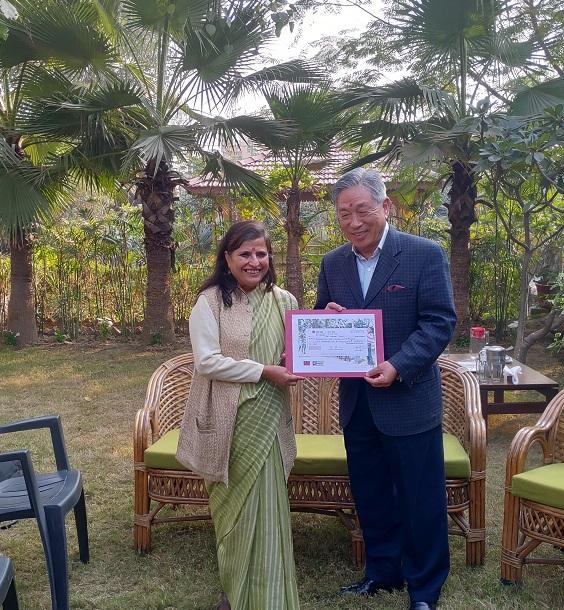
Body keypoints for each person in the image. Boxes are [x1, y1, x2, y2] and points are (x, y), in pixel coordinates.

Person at [315, 168, 456, 610]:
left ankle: (426, 588)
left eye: (362, 210)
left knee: (420, 497)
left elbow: (439, 322)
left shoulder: (423, 254)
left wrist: (398, 365)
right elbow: (322, 317)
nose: (354, 222)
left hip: (409, 399)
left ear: (385, 206)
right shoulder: (333, 262)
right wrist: (327, 316)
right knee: (371, 493)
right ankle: (381, 573)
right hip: (358, 403)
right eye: (344, 215)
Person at [175, 220, 304, 610]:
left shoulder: (286, 302)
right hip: (229, 425)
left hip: (270, 420)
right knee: (234, 511)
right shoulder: (211, 301)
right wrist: (264, 370)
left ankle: (271, 597)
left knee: (269, 508)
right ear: (227, 258)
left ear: (270, 257)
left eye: (261, 253)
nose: (254, 261)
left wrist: (326, 324)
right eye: (245, 254)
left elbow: (297, 352)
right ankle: (234, 593)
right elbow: (208, 362)